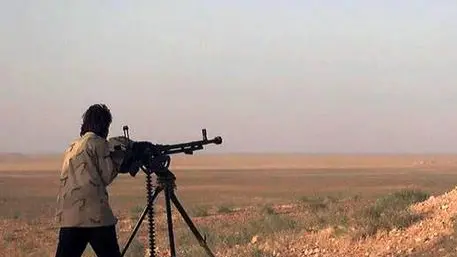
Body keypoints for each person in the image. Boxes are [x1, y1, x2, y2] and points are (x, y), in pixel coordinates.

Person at [54, 104, 137, 257]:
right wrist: (120, 159)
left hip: (70, 218)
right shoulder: (97, 143)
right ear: (104, 125)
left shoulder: (72, 146)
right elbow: (106, 175)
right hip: (95, 217)